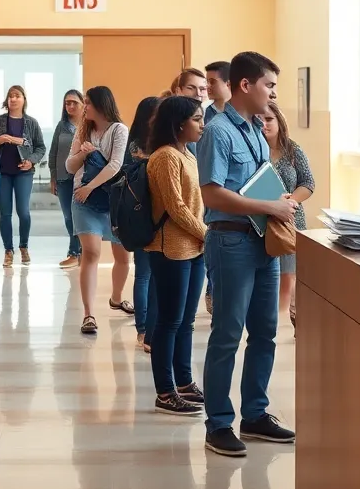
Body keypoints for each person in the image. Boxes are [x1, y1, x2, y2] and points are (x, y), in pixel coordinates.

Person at [198, 51, 297, 457]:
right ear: (245, 85)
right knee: (226, 335)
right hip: (231, 242)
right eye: (269, 85)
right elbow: (212, 193)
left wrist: (279, 202)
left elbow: (260, 183)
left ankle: (255, 414)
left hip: (263, 243)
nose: (273, 94)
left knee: (266, 333)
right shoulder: (218, 132)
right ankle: (218, 422)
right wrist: (269, 207)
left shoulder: (257, 130)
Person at [145, 96, 209, 417]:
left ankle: (184, 382)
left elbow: (196, 202)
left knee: (187, 321)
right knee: (168, 322)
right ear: (179, 123)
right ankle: (165, 391)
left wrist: (201, 235)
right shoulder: (165, 157)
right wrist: (206, 233)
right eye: (197, 119)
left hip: (193, 247)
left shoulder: (187, 153)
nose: (202, 125)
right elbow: (176, 207)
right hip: (171, 248)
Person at [66, 85, 130, 335]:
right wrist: (83, 154)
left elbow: (115, 165)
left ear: (102, 105)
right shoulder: (83, 130)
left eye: (88, 103)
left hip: (112, 199)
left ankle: (116, 298)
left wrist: (90, 186)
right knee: (90, 252)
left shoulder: (119, 130)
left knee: (124, 256)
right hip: (84, 200)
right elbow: (70, 167)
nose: (84, 108)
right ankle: (89, 314)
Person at [260, 101, 315, 325]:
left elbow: (308, 182)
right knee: (267, 275)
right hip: (261, 219)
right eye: (260, 120)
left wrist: (289, 202)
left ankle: (285, 319)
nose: (264, 124)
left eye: (269, 119)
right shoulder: (253, 148)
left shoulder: (293, 150)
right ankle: (271, 319)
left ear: (280, 122)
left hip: (292, 220)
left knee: (289, 274)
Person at [0, 85, 46, 268]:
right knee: (5, 213)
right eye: (10, 96)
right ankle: (8, 250)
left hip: (24, 172)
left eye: (17, 96)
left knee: (23, 211)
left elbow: (40, 148)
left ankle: (24, 246)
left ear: (24, 99)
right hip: (3, 173)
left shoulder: (31, 123)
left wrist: (31, 161)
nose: (13, 99)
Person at [126, 96, 161, 352]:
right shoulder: (135, 143)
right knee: (144, 274)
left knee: (155, 276)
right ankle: (142, 328)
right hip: (141, 215)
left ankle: (152, 327)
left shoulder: (165, 142)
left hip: (161, 216)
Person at [203, 60, 232, 315]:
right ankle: (211, 288)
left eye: (213, 81)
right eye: (206, 81)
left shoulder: (249, 118)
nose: (207, 87)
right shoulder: (204, 116)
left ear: (229, 83)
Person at [50, 90, 85, 270]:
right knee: (68, 216)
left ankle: (80, 252)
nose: (70, 106)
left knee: (81, 214)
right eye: (67, 103)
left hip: (83, 178)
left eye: (74, 103)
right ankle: (74, 252)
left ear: (82, 104)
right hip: (64, 178)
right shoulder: (61, 126)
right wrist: (53, 177)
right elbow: (53, 152)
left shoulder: (88, 125)